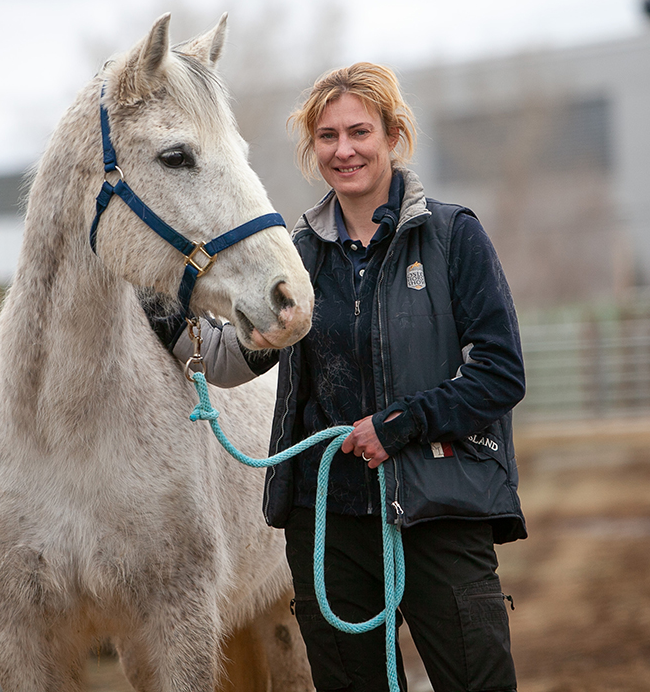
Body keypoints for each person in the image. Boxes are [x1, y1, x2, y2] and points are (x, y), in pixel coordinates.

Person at [146, 62, 526, 692]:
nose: (344, 150)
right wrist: (159, 305)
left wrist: (403, 423)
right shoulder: (296, 257)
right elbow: (236, 360)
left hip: (438, 507)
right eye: (327, 137)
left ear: (392, 135)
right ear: (312, 148)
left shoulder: (453, 238)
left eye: (359, 132)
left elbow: (499, 372)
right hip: (329, 520)